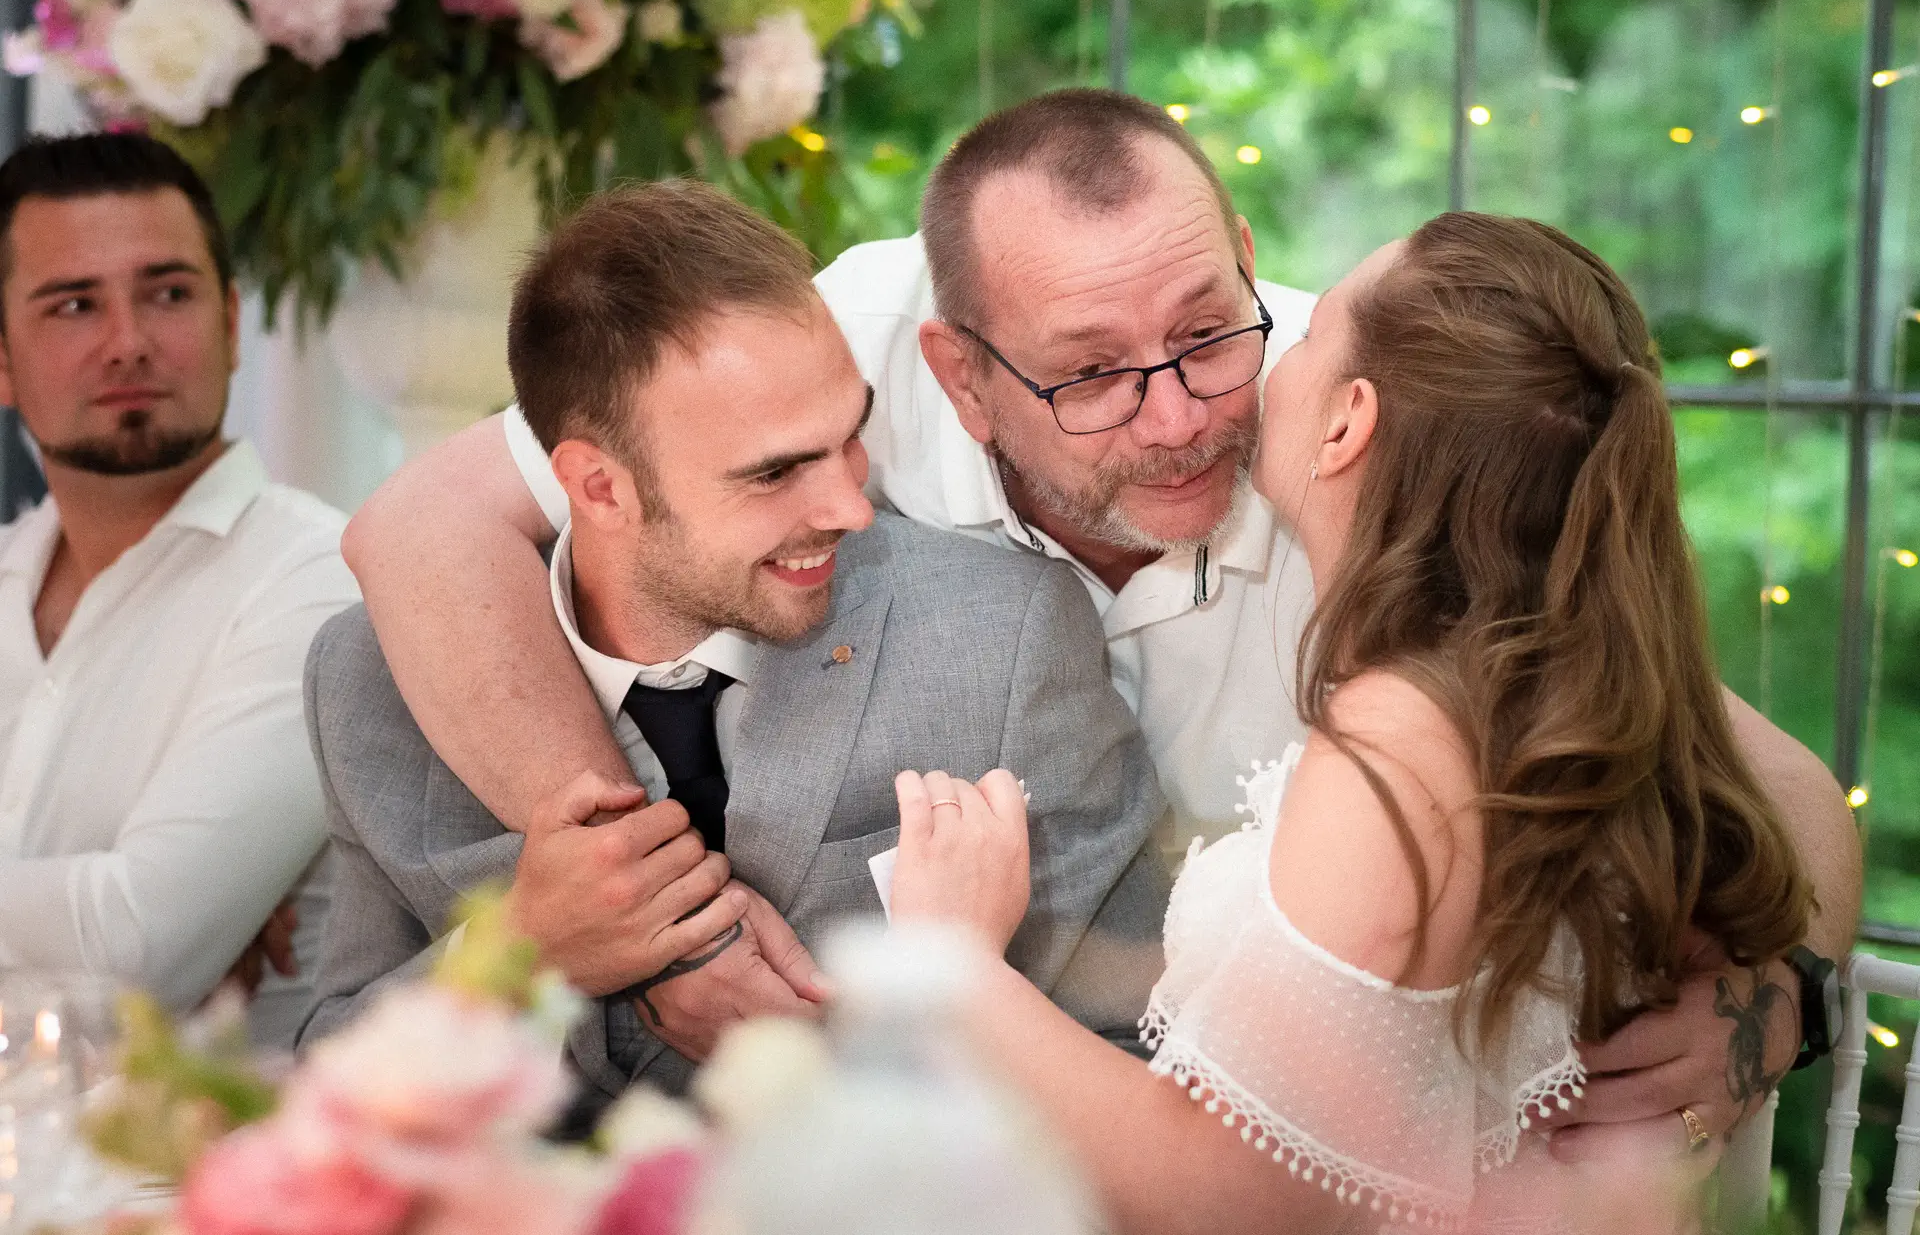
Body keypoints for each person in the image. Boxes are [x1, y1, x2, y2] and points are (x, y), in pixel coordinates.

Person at [337, 90, 1861, 1151]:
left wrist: (1772, 998)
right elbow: (419, 529)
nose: (1186, 414)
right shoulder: (842, 346)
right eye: (1091, 374)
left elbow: (1750, 769)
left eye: (1208, 333)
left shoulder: (1359, 408)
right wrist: (642, 914)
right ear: (960, 370)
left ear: (1250, 267)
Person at [887, 213, 1818, 1233]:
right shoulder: (1559, 674)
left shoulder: (1403, 740)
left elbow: (1228, 1192)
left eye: (1315, 326)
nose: (1269, 357)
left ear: (1346, 423)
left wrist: (959, 962)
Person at [297, 181, 1166, 1103]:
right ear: (598, 489)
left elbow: (1138, 1053)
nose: (849, 507)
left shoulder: (1007, 634)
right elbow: (314, 1088)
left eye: (850, 435)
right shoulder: (369, 683)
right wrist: (517, 955)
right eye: (777, 472)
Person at [0, 133, 355, 1046]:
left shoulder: (316, 577)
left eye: (168, 293)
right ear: (3, 360)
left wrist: (143, 930)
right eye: (74, 305)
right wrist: (91, 919)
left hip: (205, 1171)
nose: (128, 343)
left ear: (233, 325)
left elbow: (137, 951)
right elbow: (130, 937)